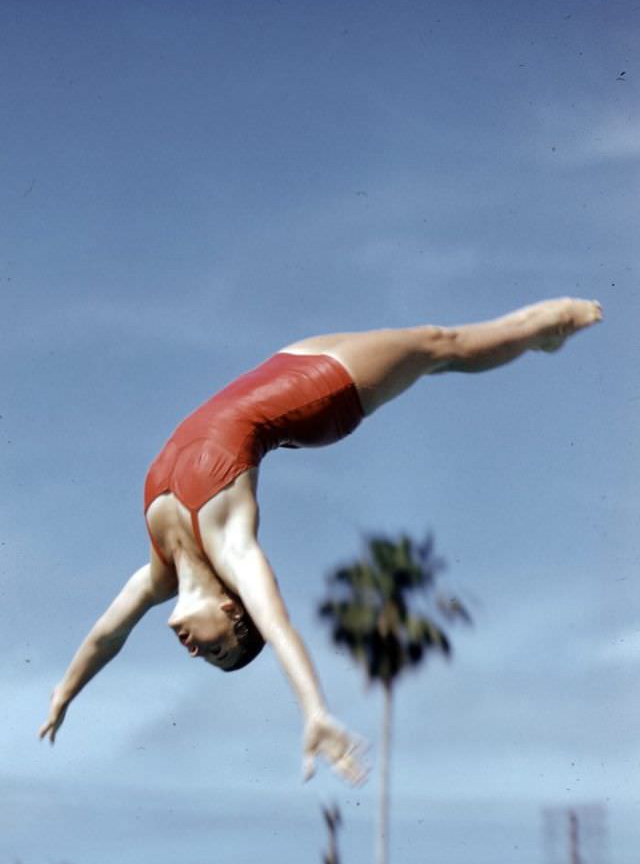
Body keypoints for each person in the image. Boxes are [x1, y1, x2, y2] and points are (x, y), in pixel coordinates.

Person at [39, 297, 601, 784]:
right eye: (216, 649)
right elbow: (279, 627)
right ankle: (539, 333)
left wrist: (65, 694)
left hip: (285, 365)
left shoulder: (159, 570)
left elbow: (106, 636)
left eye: (206, 655)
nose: (193, 650)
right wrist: (314, 712)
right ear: (233, 610)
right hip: (322, 399)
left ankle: (536, 337)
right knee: (438, 345)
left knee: (437, 351)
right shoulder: (232, 547)